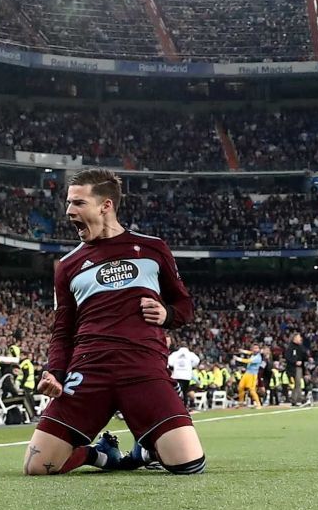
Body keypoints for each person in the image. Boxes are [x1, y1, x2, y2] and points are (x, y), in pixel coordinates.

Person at [25, 168, 205, 476]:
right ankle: (100, 456)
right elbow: (63, 331)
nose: (69, 211)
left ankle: (145, 449)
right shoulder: (67, 266)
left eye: (78, 203)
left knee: (188, 464)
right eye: (69, 203)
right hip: (88, 370)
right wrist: (55, 373)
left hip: (143, 368)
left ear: (105, 205)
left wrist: (167, 314)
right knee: (37, 466)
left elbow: (185, 305)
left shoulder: (153, 248)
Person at [168, 340, 200, 407]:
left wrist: (175, 365)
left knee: (176, 392)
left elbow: (169, 362)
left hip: (177, 375)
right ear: (187, 346)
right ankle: (184, 407)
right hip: (186, 376)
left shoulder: (175, 354)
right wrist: (190, 365)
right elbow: (197, 360)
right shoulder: (190, 354)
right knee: (184, 392)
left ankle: (175, 406)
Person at [285, 333, 307, 407]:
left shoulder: (300, 347)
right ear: (294, 338)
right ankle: (299, 399)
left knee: (297, 384)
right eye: (298, 337)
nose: (300, 338)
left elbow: (304, 355)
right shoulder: (290, 347)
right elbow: (288, 357)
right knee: (297, 383)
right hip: (293, 368)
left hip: (300, 367)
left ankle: (294, 399)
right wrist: (295, 362)